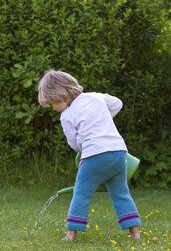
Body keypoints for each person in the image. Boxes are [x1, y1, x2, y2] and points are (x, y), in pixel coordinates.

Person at [38, 70, 141, 242]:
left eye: (52, 104)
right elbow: (117, 103)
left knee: (81, 193)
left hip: (94, 155)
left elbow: (74, 143)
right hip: (119, 152)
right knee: (121, 192)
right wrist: (102, 119)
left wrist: (84, 151)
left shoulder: (67, 115)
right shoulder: (96, 97)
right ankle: (135, 234)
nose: (53, 109)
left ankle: (71, 235)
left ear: (60, 96)